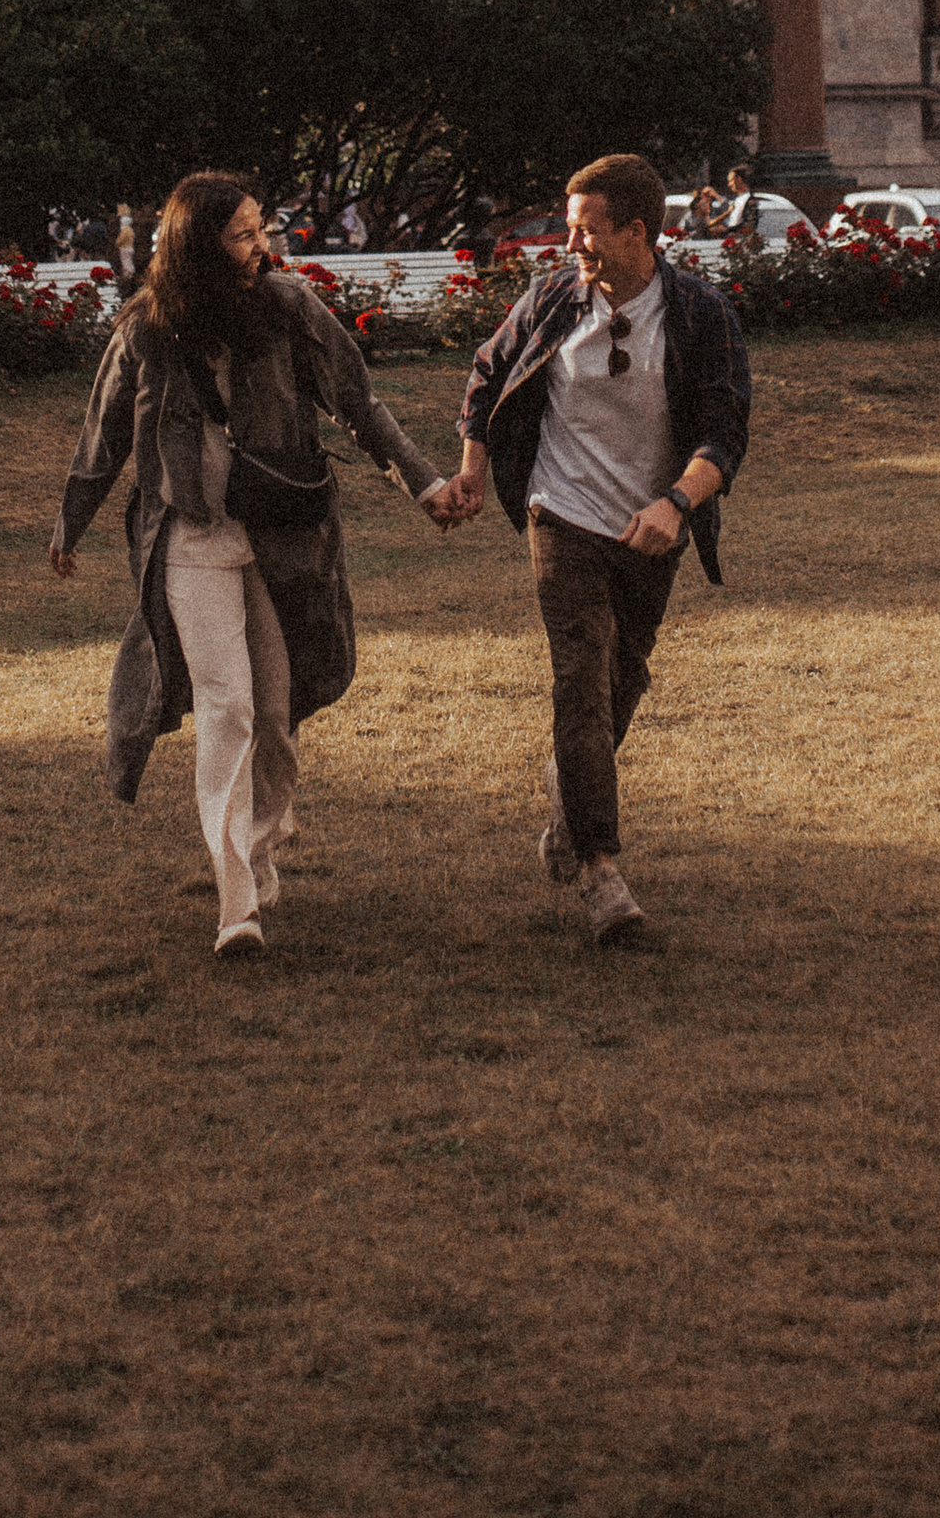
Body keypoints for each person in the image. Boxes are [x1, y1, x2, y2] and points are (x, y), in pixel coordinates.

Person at [49, 172, 463, 957]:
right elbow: (105, 431)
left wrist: (427, 483)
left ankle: (263, 838)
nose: (261, 247)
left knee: (274, 713)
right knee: (227, 707)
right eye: (243, 235)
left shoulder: (289, 308)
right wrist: (71, 521)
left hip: (279, 538)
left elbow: (358, 403)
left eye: (259, 230)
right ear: (200, 246)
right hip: (190, 538)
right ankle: (235, 900)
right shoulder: (146, 326)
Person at [449, 150, 750, 944]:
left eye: (585, 230)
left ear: (637, 233)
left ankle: (568, 789)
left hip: (650, 524)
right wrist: (475, 471)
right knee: (581, 676)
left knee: (623, 679)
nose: (569, 244)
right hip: (563, 512)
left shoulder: (699, 315)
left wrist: (675, 503)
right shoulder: (553, 297)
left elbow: (725, 434)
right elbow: (488, 376)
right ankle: (600, 873)